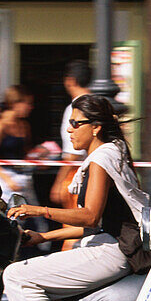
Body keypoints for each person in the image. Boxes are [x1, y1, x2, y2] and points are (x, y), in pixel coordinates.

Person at [1, 94, 150, 301]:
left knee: (16, 276)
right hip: (109, 245)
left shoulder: (102, 160)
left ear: (96, 128)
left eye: (76, 123)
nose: (69, 129)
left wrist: (39, 210)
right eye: (69, 122)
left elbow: (90, 217)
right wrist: (43, 238)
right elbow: (97, 223)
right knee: (28, 282)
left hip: (114, 251)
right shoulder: (113, 152)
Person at [0, 85, 34, 199]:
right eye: (27, 103)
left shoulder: (24, 126)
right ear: (15, 103)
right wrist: (7, 179)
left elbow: (25, 154)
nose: (31, 107)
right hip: (5, 181)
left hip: (23, 178)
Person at [50, 60, 92, 207]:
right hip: (95, 173)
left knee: (75, 223)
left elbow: (72, 153)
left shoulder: (74, 109)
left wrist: (58, 183)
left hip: (77, 175)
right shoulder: (99, 105)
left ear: (70, 81)